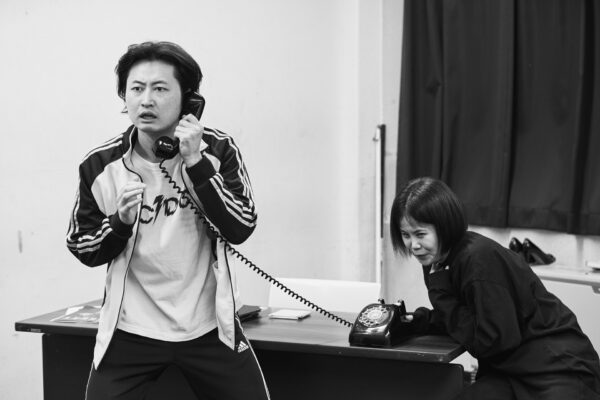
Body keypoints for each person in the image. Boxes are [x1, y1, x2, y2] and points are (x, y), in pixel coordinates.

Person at [66, 41, 270, 400]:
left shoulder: (217, 151)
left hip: (208, 326)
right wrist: (120, 223)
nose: (146, 100)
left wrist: (196, 164)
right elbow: (82, 245)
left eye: (160, 89)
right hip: (131, 328)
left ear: (188, 101)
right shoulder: (99, 165)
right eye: (136, 89)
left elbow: (241, 226)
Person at [390, 177, 600, 400]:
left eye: (420, 234)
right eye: (405, 235)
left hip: (558, 367)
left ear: (445, 226)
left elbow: (490, 341)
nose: (413, 245)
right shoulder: (437, 259)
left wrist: (439, 295)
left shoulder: (477, 259)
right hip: (511, 369)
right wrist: (418, 320)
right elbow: (466, 317)